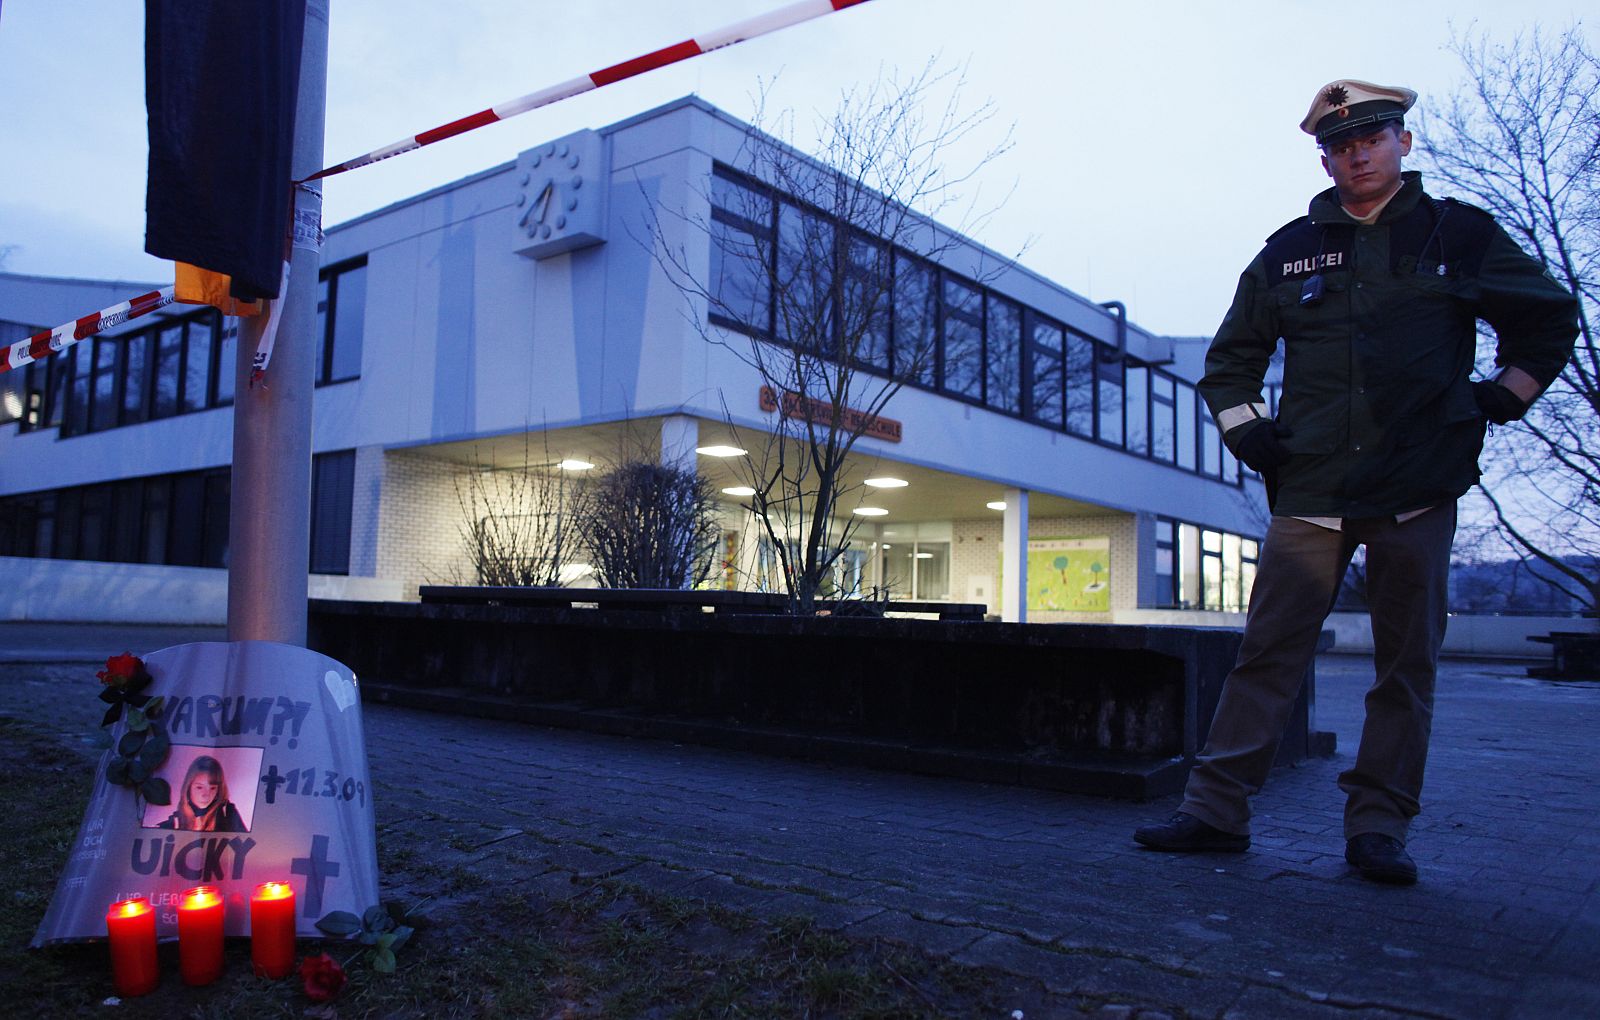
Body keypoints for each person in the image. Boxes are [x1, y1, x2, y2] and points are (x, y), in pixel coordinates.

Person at [1134, 79, 1579, 884]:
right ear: (1325, 156)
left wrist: (1503, 396)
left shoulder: (1459, 235)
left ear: (1402, 143)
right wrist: (1252, 435)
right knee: (1267, 653)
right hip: (1312, 494)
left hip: (1416, 487)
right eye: (1340, 144)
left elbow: (1549, 317)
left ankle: (1378, 827)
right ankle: (1214, 811)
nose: (1357, 152)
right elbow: (1230, 361)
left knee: (1404, 665)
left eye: (1372, 137)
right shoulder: (1289, 249)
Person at [157, 754, 246, 832]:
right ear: (188, 787)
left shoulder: (228, 814)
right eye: (199, 787)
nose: (206, 795)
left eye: (212, 788)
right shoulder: (174, 822)